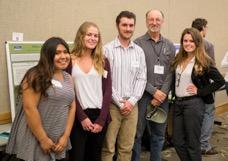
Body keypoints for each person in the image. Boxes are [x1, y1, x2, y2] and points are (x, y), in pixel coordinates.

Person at [6, 37, 76, 161]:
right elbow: (29, 109)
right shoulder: (35, 75)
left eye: (65, 52)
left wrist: (66, 136)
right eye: (57, 53)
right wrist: (43, 139)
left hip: (59, 141)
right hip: (36, 140)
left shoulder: (68, 78)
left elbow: (72, 106)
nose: (63, 56)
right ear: (47, 55)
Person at [172, 28, 225, 161]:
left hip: (193, 104)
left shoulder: (203, 61)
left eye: (191, 41)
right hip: (178, 103)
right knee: (177, 141)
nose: (188, 43)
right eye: (185, 40)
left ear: (197, 43)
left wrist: (200, 91)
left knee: (192, 143)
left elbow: (220, 81)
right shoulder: (179, 58)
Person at [101, 11, 147, 161]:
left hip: (132, 107)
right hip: (113, 106)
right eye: (124, 25)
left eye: (131, 25)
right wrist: (120, 102)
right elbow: (105, 80)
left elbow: (142, 78)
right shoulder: (107, 50)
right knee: (108, 147)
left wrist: (131, 101)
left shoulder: (139, 52)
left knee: (127, 148)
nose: (128, 28)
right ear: (117, 26)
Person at [131, 9, 175, 161]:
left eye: (157, 19)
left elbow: (171, 72)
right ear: (146, 21)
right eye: (151, 19)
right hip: (142, 96)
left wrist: (161, 93)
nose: (154, 23)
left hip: (162, 98)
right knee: (137, 133)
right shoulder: (137, 44)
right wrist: (153, 91)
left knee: (158, 135)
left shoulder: (169, 45)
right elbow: (136, 73)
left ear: (162, 22)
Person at [67, 21, 112, 161]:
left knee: (94, 156)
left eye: (96, 36)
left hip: (99, 116)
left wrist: (101, 120)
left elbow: (108, 91)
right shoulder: (70, 60)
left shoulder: (103, 61)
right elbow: (69, 92)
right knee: (77, 156)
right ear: (81, 36)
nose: (93, 38)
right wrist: (82, 117)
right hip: (78, 116)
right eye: (89, 35)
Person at [192, 18, 218, 155]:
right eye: (206, 27)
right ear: (202, 29)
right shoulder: (208, 45)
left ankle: (194, 142)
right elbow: (212, 69)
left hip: (190, 88)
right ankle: (204, 145)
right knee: (209, 113)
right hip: (206, 87)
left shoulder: (187, 42)